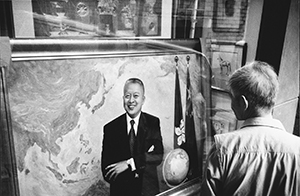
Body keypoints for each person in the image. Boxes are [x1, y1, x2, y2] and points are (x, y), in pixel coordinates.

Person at [201, 61, 300, 196]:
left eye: (232, 98)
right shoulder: (297, 149)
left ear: (243, 103)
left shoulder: (222, 148)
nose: (231, 105)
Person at [101, 78, 164, 196]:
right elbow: (107, 171)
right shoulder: (111, 128)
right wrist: (143, 161)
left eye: (136, 96)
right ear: (122, 99)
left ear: (143, 99)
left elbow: (158, 155)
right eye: (127, 96)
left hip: (148, 192)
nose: (131, 101)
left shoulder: (152, 123)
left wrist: (129, 164)